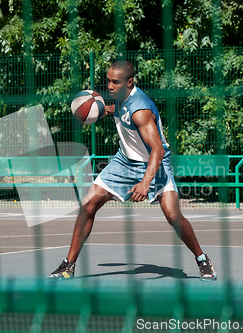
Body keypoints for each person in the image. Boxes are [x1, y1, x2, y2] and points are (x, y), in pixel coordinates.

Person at [48, 60, 216, 281]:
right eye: (107, 81)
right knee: (88, 205)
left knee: (173, 215)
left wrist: (146, 182)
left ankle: (202, 259)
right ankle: (68, 265)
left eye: (115, 82)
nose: (109, 86)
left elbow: (156, 148)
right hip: (124, 163)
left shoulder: (140, 110)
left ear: (129, 82)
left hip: (155, 164)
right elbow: (117, 111)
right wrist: (99, 110)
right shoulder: (120, 98)